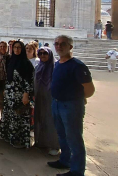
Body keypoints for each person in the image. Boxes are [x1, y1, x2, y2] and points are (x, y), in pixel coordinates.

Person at [48, 35, 95, 176]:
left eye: (63, 44)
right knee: (62, 135)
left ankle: (77, 170)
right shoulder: (58, 63)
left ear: (70, 46)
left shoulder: (77, 66)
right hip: (56, 104)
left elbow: (90, 90)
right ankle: (65, 160)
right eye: (56, 43)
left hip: (71, 106)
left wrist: (77, 98)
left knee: (74, 138)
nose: (59, 46)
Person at [0, 40, 34, 149]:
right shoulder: (11, 60)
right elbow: (8, 77)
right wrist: (6, 88)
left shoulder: (26, 63)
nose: (16, 49)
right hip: (10, 93)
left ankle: (18, 140)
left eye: (19, 47)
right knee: (10, 115)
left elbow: (29, 80)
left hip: (20, 93)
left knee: (19, 116)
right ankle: (9, 137)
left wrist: (26, 94)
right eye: (15, 47)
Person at [34, 47, 60, 156]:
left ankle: (54, 145)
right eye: (40, 53)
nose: (43, 55)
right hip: (39, 96)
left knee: (51, 121)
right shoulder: (38, 66)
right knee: (40, 118)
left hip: (51, 97)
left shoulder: (55, 66)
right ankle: (41, 142)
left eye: (45, 53)